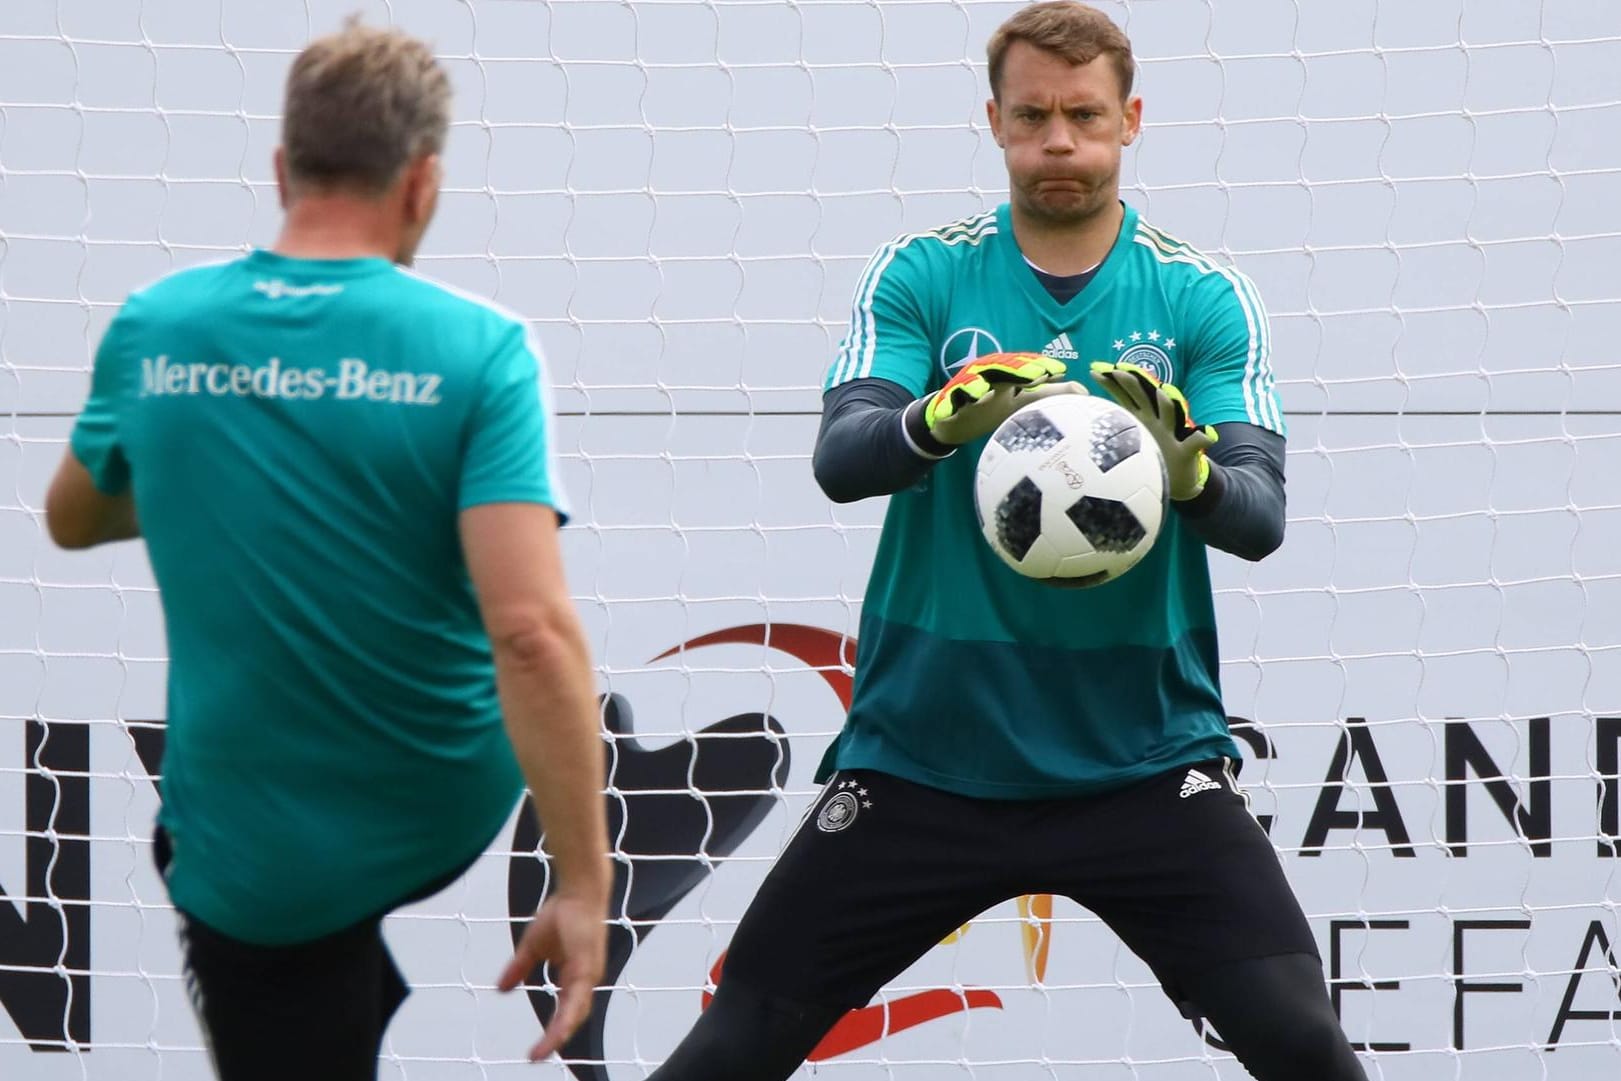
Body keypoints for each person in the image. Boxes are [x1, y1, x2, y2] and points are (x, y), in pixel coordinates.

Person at [648, 4, 1368, 1079]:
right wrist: (934, 420)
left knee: (1303, 1041)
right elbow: (844, 457)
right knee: (735, 1042)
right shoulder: (925, 275)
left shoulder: (1199, 295)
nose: (1059, 142)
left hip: (1142, 762)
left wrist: (1185, 472)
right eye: (1032, 115)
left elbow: (1258, 516)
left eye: (1083, 115)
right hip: (927, 757)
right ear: (993, 120)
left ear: (1129, 119)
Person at [43, 20, 608, 1080]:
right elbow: (529, 632)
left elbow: (73, 517)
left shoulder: (156, 324)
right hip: (438, 801)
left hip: (257, 854)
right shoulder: (479, 348)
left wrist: (225, 471)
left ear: (279, 169)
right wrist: (582, 883)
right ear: (424, 182)